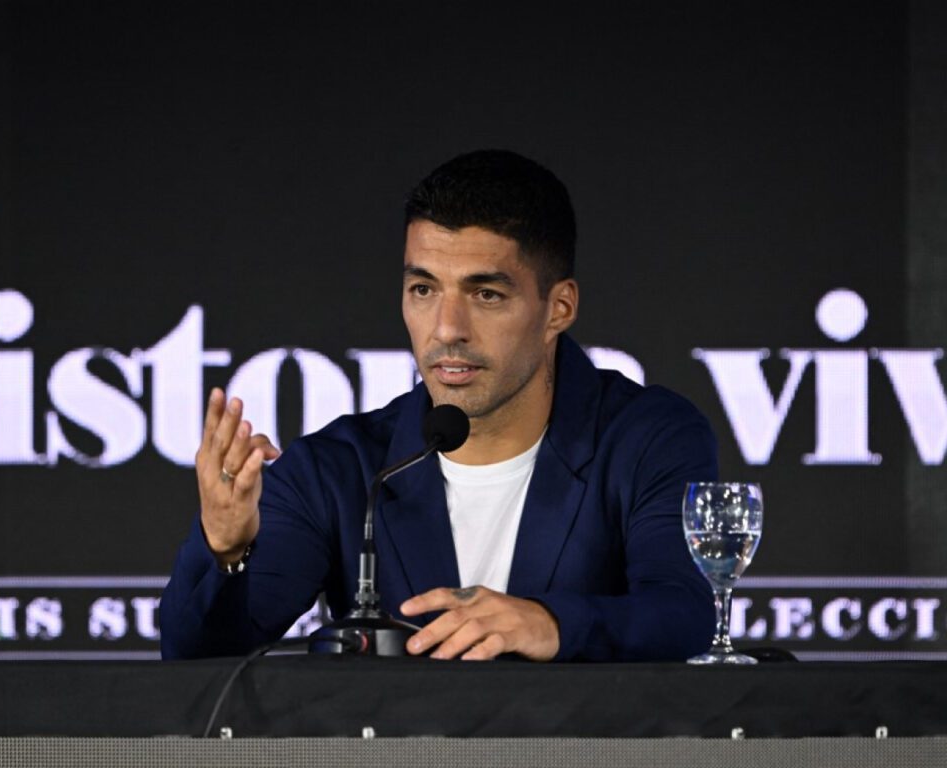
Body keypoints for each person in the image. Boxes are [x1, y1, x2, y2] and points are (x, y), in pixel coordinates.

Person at [160, 149, 716, 662]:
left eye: (486, 294)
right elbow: (198, 663)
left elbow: (686, 615)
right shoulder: (339, 470)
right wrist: (225, 548)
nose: (447, 330)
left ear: (558, 308)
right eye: (423, 289)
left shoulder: (649, 438)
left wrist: (549, 622)